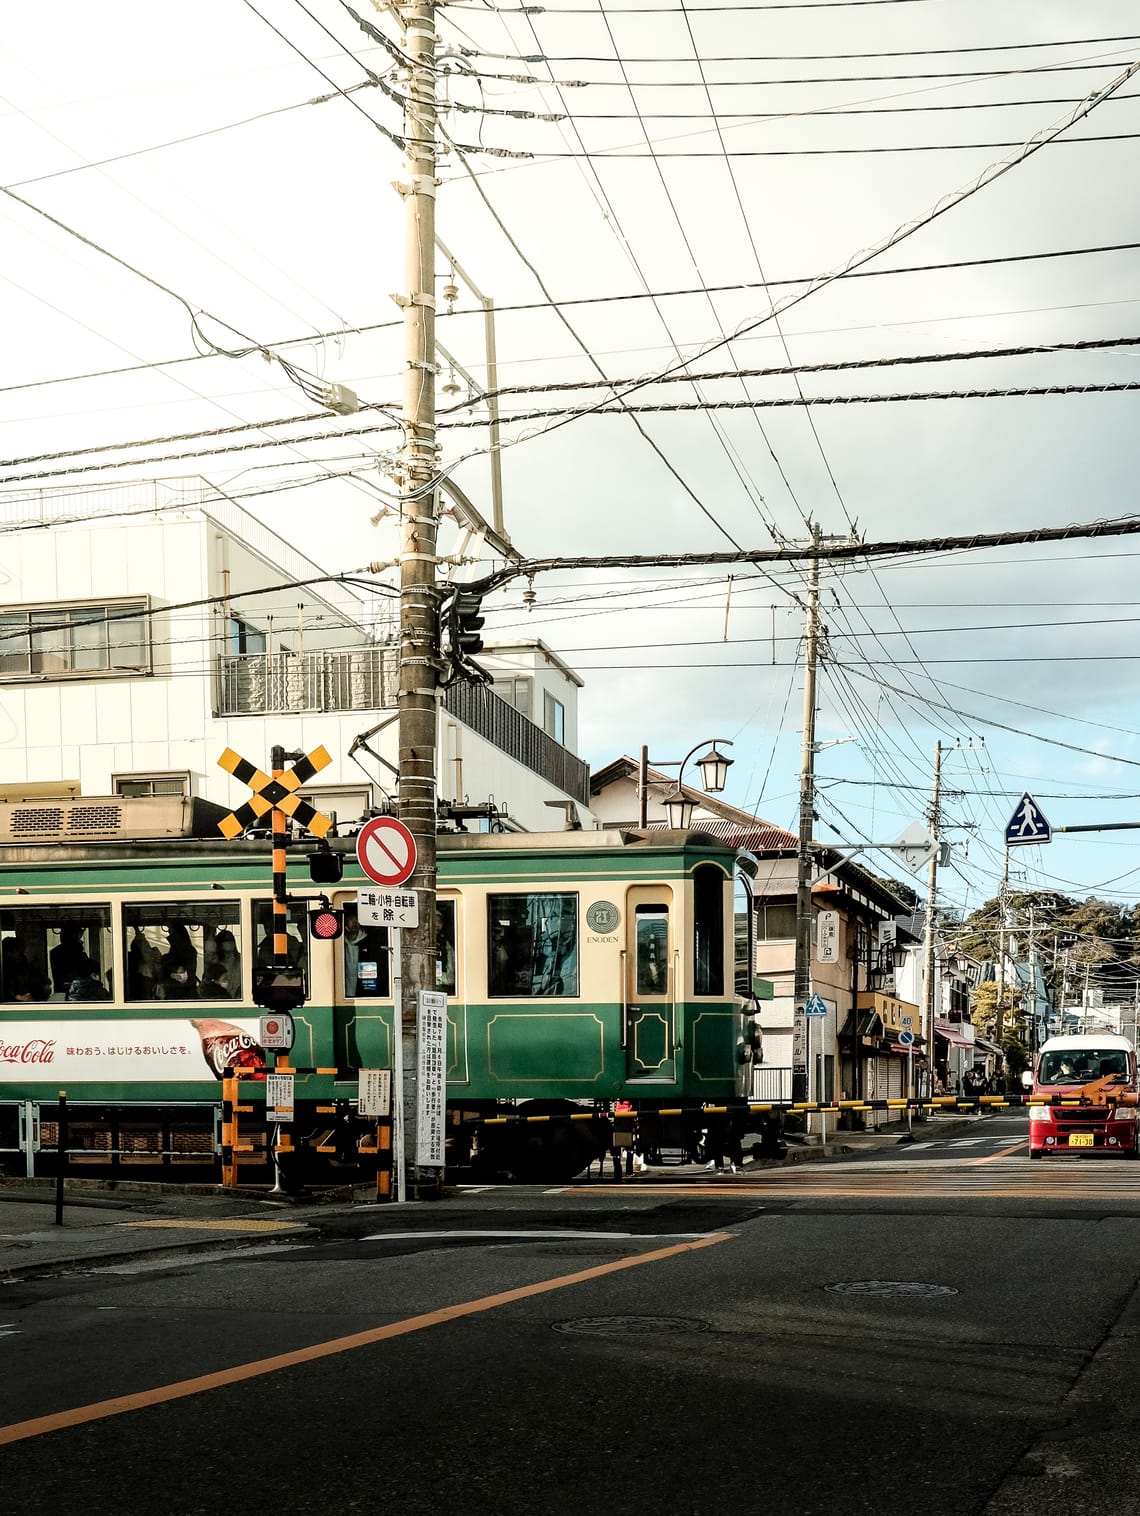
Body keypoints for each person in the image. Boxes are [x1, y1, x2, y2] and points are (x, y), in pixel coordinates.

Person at [50, 924, 89, 995]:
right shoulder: (79, 954)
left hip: (62, 991)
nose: (81, 939)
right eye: (79, 935)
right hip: (77, 991)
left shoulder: (55, 952)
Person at [204, 929, 241, 998]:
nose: (230, 942)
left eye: (231, 939)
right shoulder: (216, 963)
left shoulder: (242, 961)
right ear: (220, 944)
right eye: (226, 940)